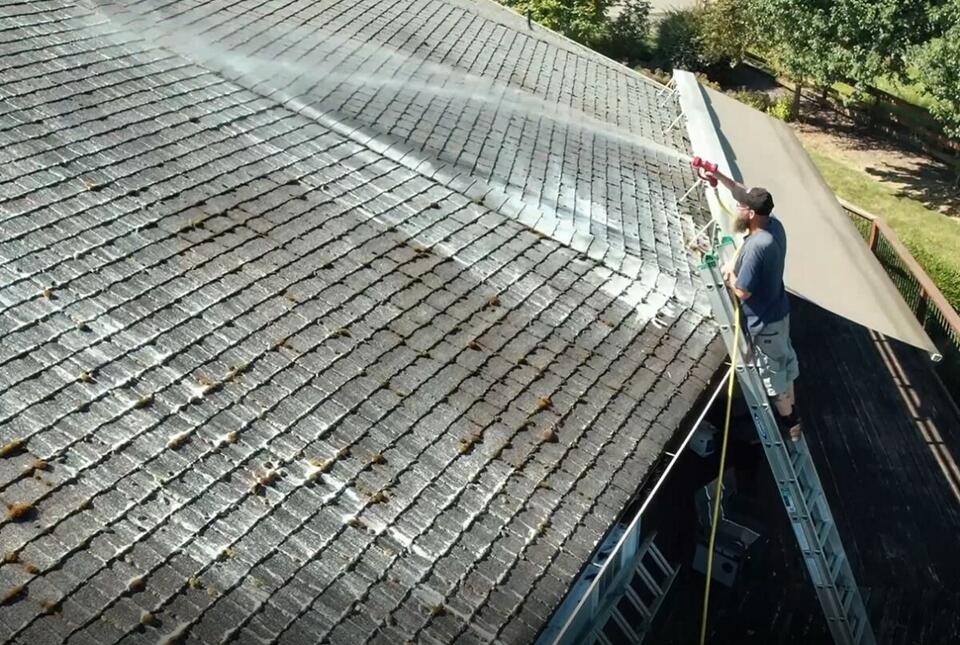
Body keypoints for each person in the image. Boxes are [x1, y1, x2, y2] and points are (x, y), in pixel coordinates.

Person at [707, 169, 802, 442]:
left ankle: (792, 428)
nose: (737, 207)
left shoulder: (757, 247)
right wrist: (717, 176)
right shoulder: (775, 226)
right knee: (785, 364)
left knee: (774, 380)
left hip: (765, 325)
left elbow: (743, 292)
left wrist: (729, 274)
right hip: (779, 312)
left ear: (750, 214)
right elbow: (741, 190)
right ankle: (794, 412)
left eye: (741, 207)